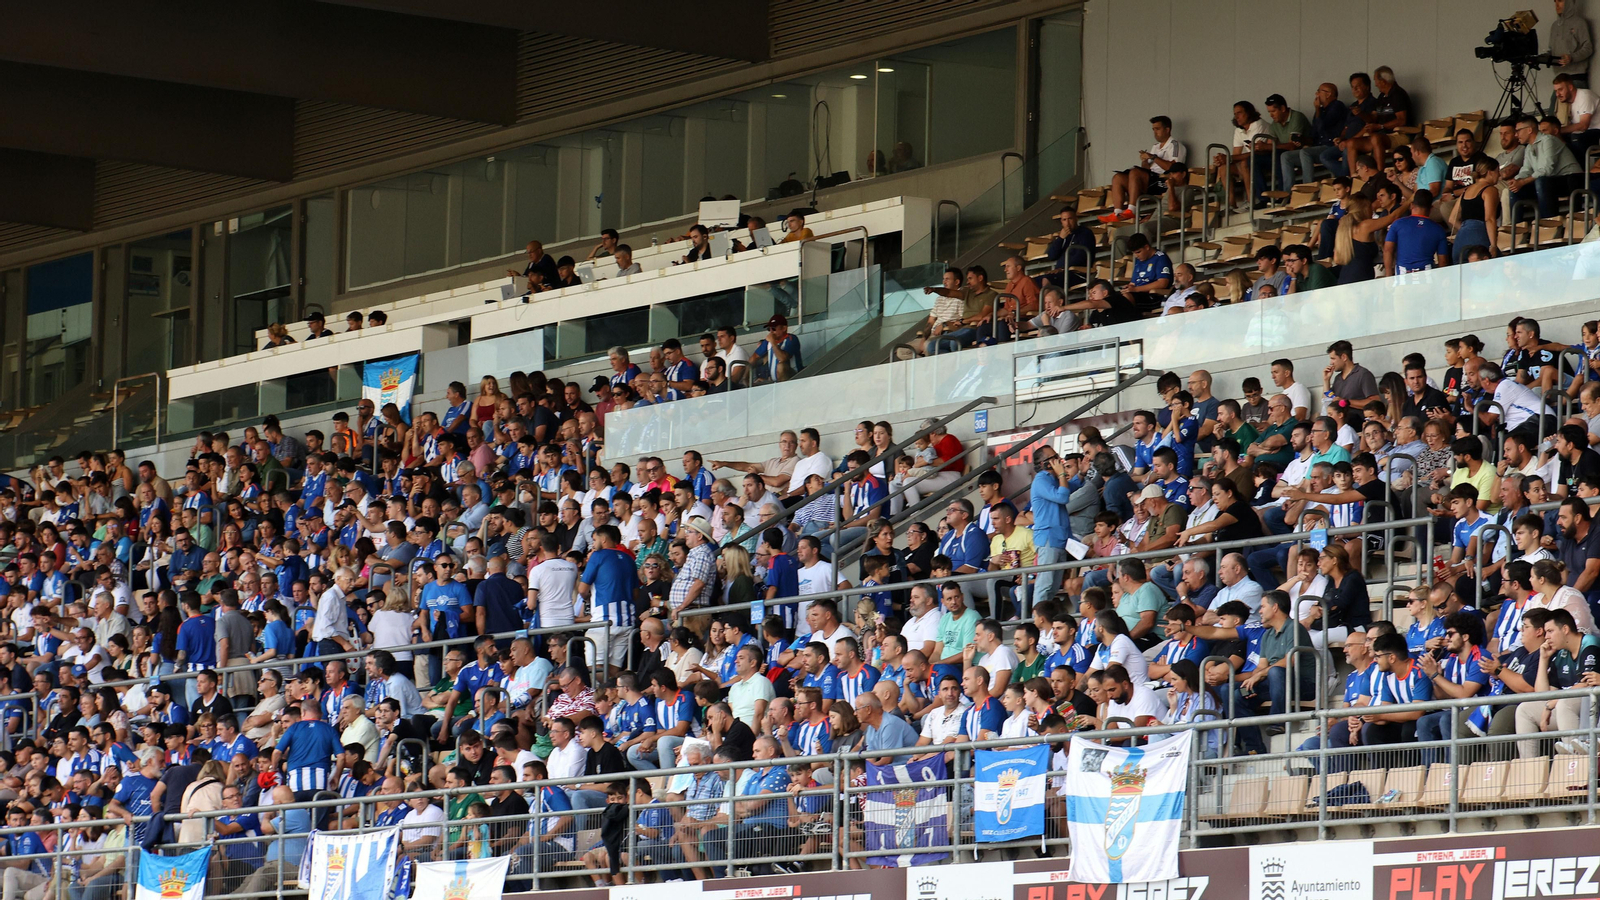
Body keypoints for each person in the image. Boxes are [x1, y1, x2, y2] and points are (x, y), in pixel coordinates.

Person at [1101, 115, 1188, 222]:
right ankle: (1117, 213)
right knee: (1118, 177)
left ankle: (1131, 210)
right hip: (1151, 180)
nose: (1155, 132)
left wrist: (1153, 157)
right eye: (1153, 129)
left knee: (1135, 172)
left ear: (1167, 129)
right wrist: (1145, 161)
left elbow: (1174, 167)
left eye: (1158, 129)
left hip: (1164, 181)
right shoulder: (1155, 147)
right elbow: (1146, 170)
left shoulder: (1175, 145)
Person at [1384, 189, 1449, 275]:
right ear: (1431, 208)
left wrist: (1388, 275)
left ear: (1411, 205)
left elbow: (1388, 249)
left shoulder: (1398, 224)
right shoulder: (1438, 229)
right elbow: (1443, 261)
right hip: (1427, 277)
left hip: (1402, 277)